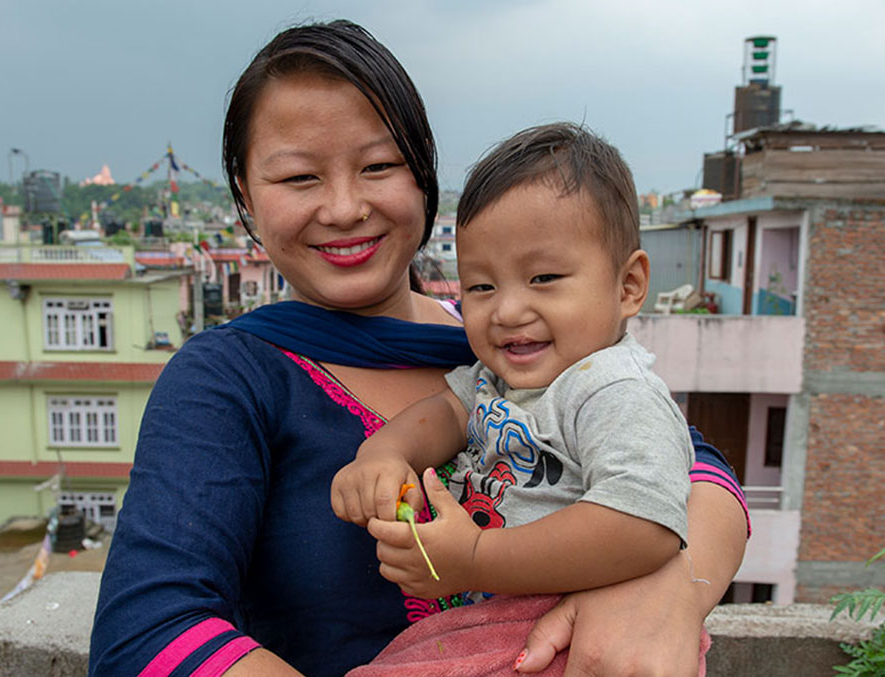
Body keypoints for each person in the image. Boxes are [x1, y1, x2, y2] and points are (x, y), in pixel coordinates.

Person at [89, 20, 749, 677]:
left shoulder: (507, 343)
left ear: (424, 172)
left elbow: (690, 467)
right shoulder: (229, 380)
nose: (345, 208)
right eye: (298, 178)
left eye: (379, 166)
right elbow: (147, 631)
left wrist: (670, 589)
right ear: (244, 193)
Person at [332, 123, 701, 673]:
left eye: (544, 277)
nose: (506, 311)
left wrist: (477, 560)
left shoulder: (612, 391)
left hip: (564, 627)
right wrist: (384, 455)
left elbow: (644, 528)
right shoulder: (496, 379)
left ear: (628, 286)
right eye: (481, 286)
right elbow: (445, 414)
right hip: (494, 623)